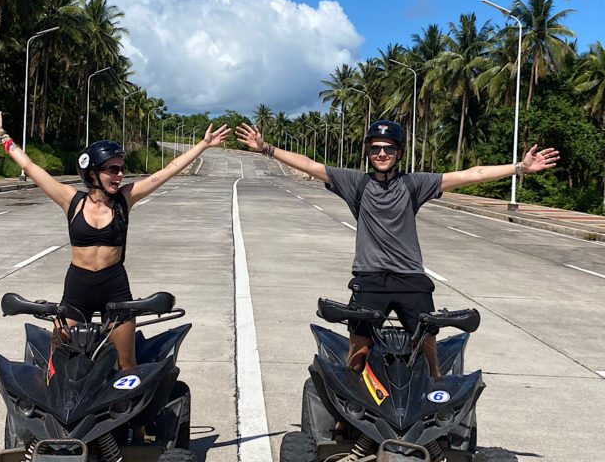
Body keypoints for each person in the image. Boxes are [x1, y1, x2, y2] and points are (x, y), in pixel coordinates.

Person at [236, 118, 560, 385]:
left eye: (388, 148)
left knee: (428, 352)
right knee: (358, 352)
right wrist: (267, 149)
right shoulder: (354, 183)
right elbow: (309, 165)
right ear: (367, 152)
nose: (381, 153)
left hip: (411, 279)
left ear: (398, 152)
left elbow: (469, 174)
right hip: (369, 279)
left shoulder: (414, 184)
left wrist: (519, 167)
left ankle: (432, 396)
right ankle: (346, 417)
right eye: (375, 148)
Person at [0, 107, 231, 371]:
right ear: (93, 173)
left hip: (114, 286)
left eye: (121, 169)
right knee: (56, 364)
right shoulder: (71, 200)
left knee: (127, 365)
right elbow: (29, 166)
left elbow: (166, 171)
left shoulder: (125, 200)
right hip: (77, 289)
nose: (120, 175)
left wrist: (203, 145)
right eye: (112, 169)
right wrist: (0, 135)